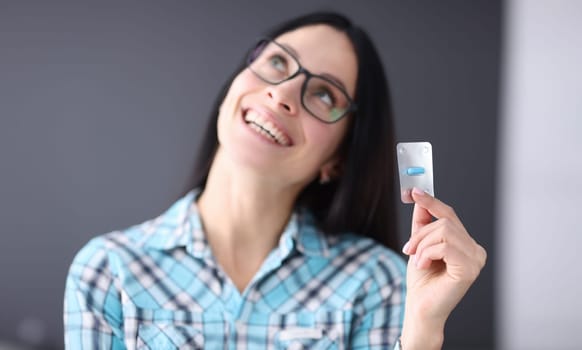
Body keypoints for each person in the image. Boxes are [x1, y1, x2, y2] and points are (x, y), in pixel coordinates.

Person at [64, 11, 486, 349]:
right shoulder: (109, 270)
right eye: (278, 62)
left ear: (338, 159)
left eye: (324, 94)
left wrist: (422, 331)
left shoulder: (378, 282)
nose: (282, 94)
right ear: (234, 86)